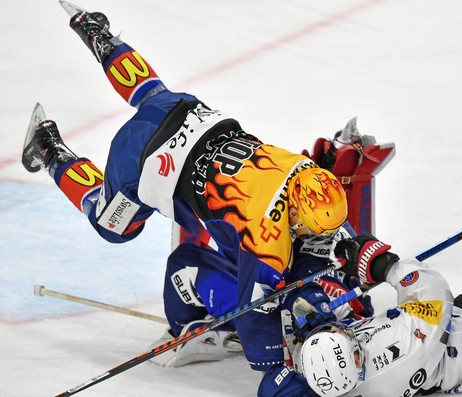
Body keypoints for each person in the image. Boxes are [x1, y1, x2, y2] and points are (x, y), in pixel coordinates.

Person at [22, 0, 348, 378]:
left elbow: (321, 222)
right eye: (309, 226)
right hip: (142, 161)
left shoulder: (302, 169)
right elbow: (254, 327)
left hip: (194, 116)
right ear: (292, 212)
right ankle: (49, 150)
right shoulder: (267, 237)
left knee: (151, 93)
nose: (313, 233)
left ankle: (99, 34)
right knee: (112, 225)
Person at [259, 234, 462, 396]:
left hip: (460, 358)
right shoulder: (397, 352)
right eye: (348, 338)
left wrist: (313, 329)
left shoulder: (333, 383)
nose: (346, 331)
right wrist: (385, 266)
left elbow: (275, 390)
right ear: (358, 361)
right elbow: (434, 295)